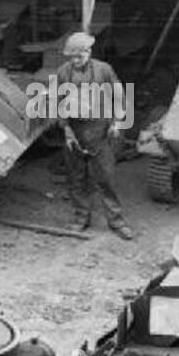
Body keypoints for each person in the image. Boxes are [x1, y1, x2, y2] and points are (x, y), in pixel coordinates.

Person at [57, 32, 133, 240]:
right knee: (76, 179)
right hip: (75, 131)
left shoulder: (104, 70)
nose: (75, 61)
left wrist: (117, 122)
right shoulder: (63, 72)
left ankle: (117, 222)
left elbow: (119, 96)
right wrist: (66, 130)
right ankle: (81, 218)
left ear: (88, 52)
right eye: (71, 57)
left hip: (100, 129)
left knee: (105, 178)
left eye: (79, 57)